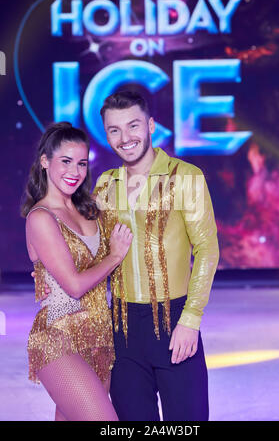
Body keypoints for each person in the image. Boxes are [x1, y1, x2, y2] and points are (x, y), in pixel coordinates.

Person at [92, 90, 220, 421]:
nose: (125, 138)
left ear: (150, 126)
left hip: (174, 321)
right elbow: (94, 249)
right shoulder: (105, 185)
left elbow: (207, 248)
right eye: (114, 130)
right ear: (106, 134)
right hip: (121, 331)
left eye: (133, 126)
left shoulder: (186, 177)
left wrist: (190, 319)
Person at [21, 122, 133, 421]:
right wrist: (114, 257)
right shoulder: (41, 217)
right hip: (58, 338)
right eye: (66, 161)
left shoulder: (89, 209)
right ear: (45, 162)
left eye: (82, 163)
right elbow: (73, 285)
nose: (75, 171)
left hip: (99, 338)